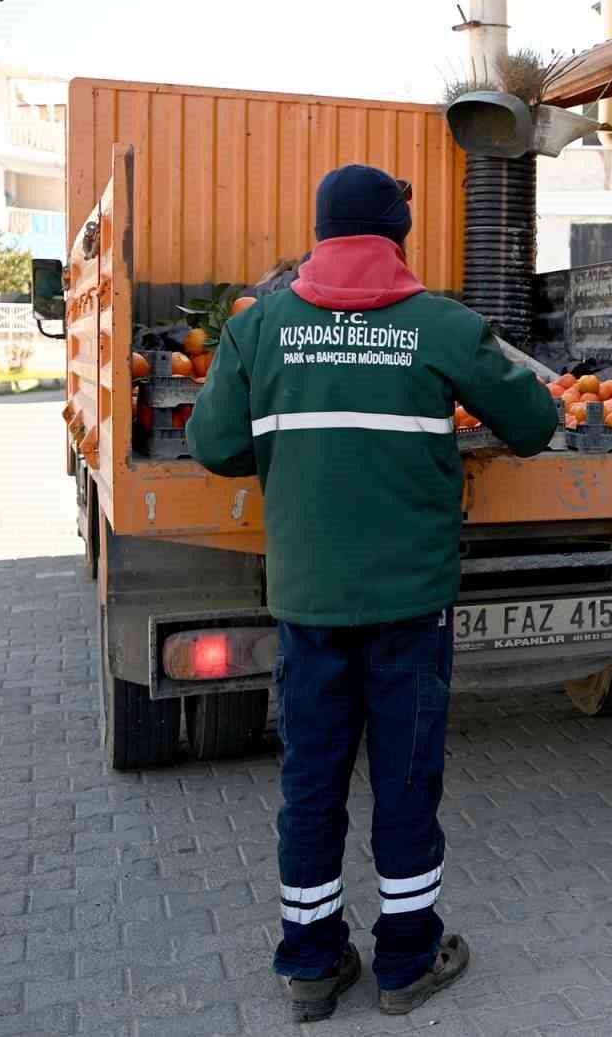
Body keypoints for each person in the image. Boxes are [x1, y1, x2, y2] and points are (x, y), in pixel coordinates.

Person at [187, 164, 557, 1022]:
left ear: (320, 233)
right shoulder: (441, 325)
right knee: (405, 779)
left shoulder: (258, 330)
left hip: (309, 603)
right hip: (410, 606)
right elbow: (536, 425)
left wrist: (291, 448)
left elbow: (214, 447)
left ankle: (312, 966)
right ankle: (406, 961)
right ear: (396, 237)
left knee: (311, 782)